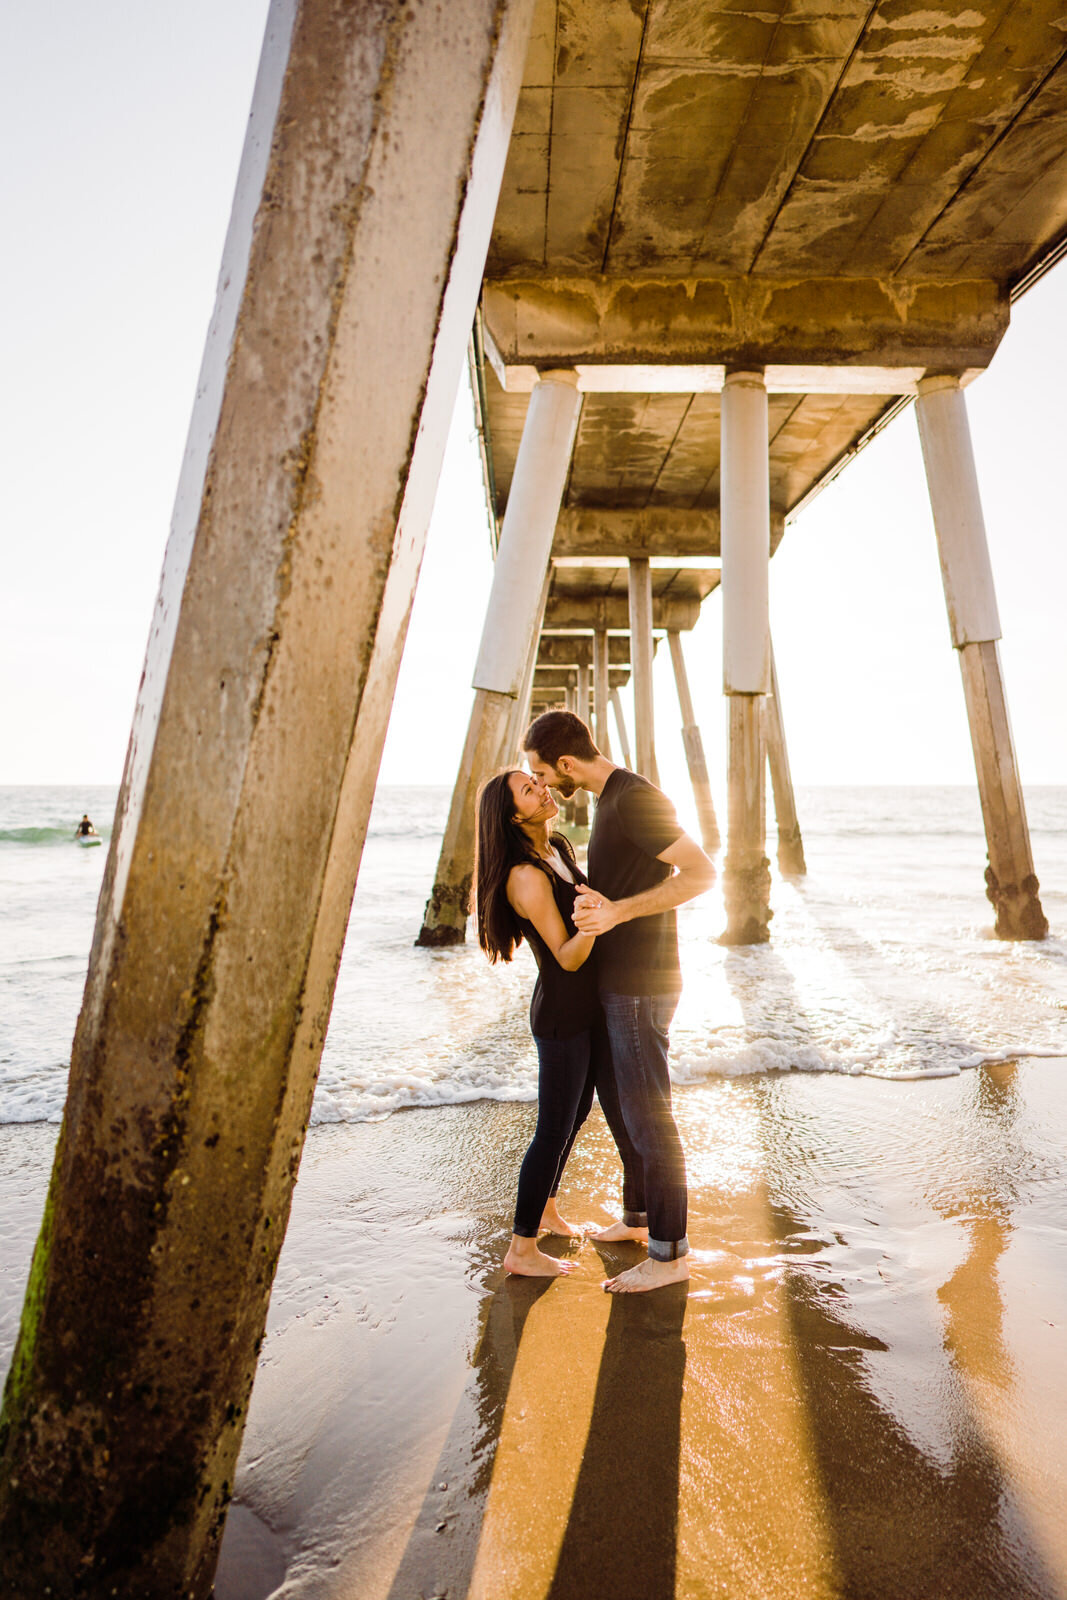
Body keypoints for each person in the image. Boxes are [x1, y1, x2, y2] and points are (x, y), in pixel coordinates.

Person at [524, 710, 715, 1294]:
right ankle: (637, 1221)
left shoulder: (633, 797)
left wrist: (617, 912)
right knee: (621, 1110)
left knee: (649, 1117)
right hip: (621, 983)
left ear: (564, 764)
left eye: (539, 771)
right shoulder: (606, 800)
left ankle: (670, 1254)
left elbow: (703, 873)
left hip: (642, 984)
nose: (541, 783)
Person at [473, 769, 647, 1278]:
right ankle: (521, 1250)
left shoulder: (558, 848)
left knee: (574, 1118)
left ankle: (547, 1210)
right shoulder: (525, 876)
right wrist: (595, 918)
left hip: (586, 1007)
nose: (542, 789)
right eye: (530, 790)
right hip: (562, 1014)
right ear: (513, 816)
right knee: (552, 1128)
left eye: (537, 781)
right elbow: (568, 957)